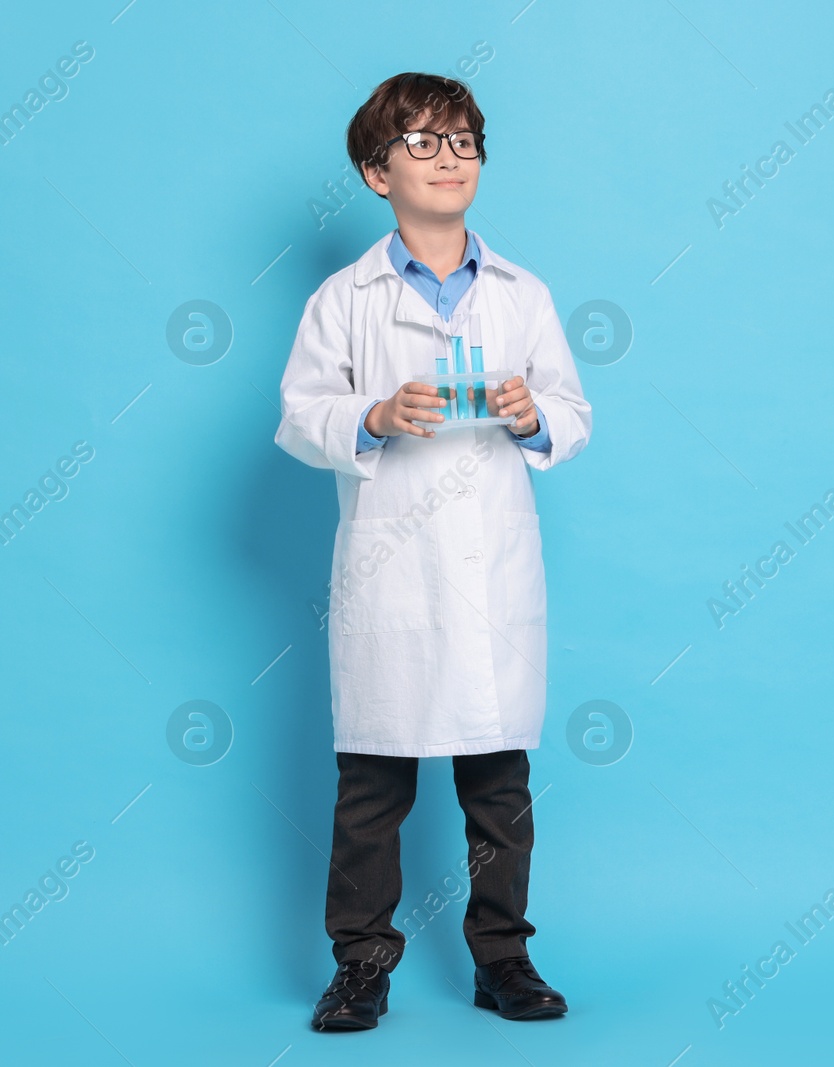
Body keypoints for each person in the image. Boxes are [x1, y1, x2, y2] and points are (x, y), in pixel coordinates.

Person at [273, 71, 592, 1032]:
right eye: (420, 142)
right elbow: (298, 416)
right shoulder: (345, 299)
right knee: (373, 785)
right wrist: (370, 415)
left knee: (498, 787)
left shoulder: (523, 293)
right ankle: (361, 965)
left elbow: (574, 413)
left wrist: (538, 416)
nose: (446, 159)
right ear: (376, 173)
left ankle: (505, 958)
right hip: (391, 579)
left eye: (462, 142)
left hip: (492, 574)